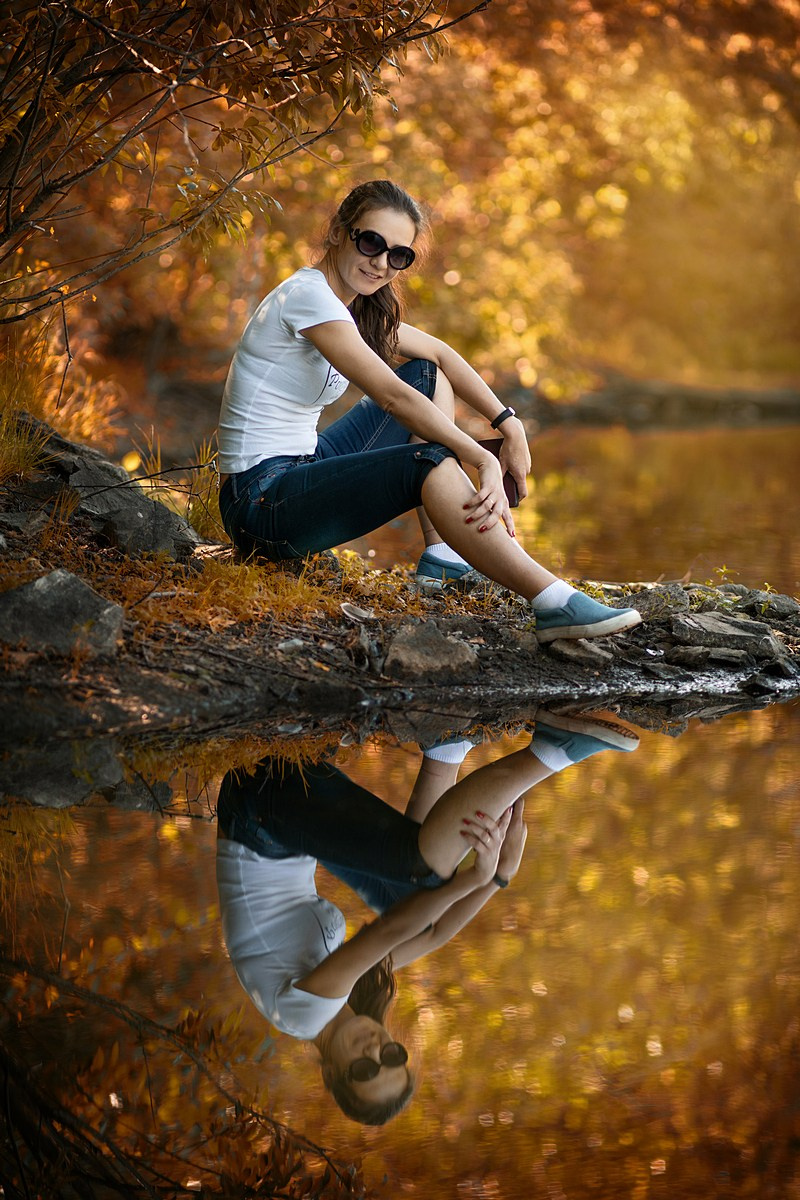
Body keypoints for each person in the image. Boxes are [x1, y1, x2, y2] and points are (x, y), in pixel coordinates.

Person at [217, 179, 642, 642]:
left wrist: (509, 423)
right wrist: (479, 458)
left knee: (425, 373)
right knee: (428, 460)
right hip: (259, 503)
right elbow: (392, 398)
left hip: (304, 466)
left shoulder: (348, 307)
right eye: (371, 242)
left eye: (398, 255)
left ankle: (443, 558)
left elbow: (440, 355)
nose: (381, 263)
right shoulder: (307, 297)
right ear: (339, 231)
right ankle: (552, 601)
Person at [216, 711, 639, 1124]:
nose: (374, 1051)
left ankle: (552, 749)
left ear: (330, 1074)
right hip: (275, 816)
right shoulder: (344, 1003)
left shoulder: (304, 1016)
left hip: (259, 805)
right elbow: (432, 936)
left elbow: (392, 930)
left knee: (422, 871)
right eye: (391, 1057)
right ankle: (447, 745)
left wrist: (474, 876)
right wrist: (498, 880)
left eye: (363, 1071)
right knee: (419, 892)